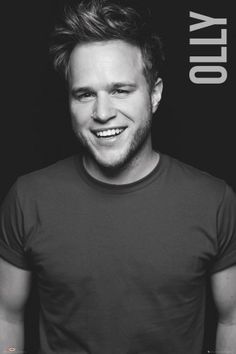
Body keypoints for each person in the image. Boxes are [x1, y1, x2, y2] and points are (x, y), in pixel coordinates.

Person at [0, 0, 236, 353]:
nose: (103, 113)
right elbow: (7, 316)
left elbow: (231, 318)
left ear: (154, 94)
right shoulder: (28, 197)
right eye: (85, 94)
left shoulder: (214, 200)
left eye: (120, 90)